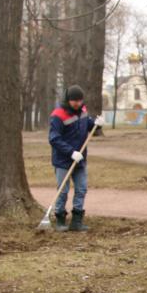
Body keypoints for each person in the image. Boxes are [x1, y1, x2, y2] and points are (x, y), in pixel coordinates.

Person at [47, 85, 95, 232]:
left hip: (80, 159)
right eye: (75, 101)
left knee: (81, 189)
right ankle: (60, 220)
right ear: (68, 100)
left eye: (80, 101)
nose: (78, 104)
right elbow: (54, 138)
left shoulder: (83, 111)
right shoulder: (58, 115)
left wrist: (96, 124)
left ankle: (77, 221)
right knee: (63, 190)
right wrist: (71, 152)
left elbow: (87, 125)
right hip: (63, 160)